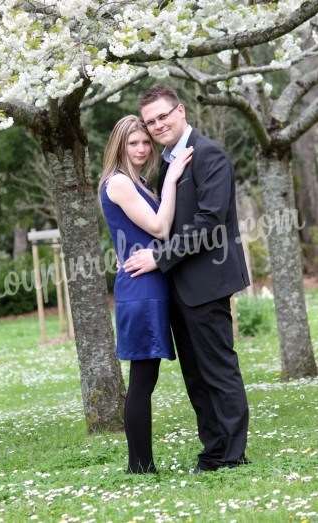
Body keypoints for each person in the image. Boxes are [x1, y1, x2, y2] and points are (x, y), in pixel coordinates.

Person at [123, 86, 251, 472]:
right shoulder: (167, 162)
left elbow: (210, 223)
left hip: (207, 284)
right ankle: (212, 451)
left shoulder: (209, 154)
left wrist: (159, 258)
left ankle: (232, 455)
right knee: (196, 378)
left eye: (164, 116)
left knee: (218, 371)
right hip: (178, 287)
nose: (158, 125)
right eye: (151, 121)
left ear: (180, 111)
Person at [98, 115, 193, 474]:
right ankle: (139, 465)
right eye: (132, 143)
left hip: (152, 283)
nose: (140, 149)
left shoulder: (136, 182)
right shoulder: (120, 183)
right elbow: (158, 227)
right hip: (141, 288)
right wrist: (171, 178)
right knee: (142, 378)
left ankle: (141, 463)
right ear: (119, 147)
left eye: (144, 143)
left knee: (145, 377)